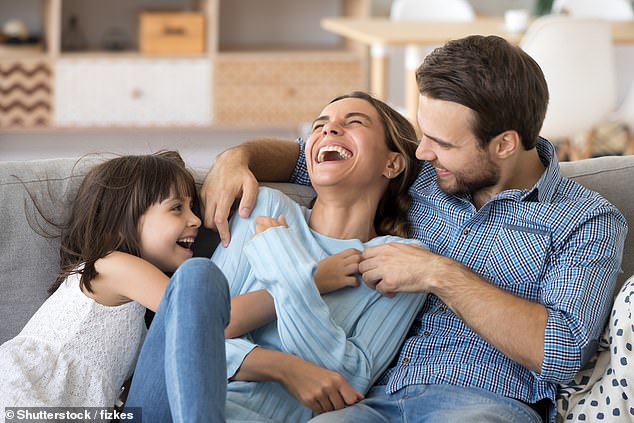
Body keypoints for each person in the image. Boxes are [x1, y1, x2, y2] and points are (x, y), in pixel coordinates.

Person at [200, 35, 628, 423]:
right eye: (423, 135)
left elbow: (562, 352)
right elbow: (309, 156)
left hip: (485, 402)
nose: (422, 151)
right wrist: (236, 158)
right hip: (375, 400)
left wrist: (439, 274)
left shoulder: (586, 220)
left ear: (504, 144)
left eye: (441, 143)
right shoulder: (422, 173)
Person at [125, 91, 427, 423]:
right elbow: (196, 331)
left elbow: (346, 379)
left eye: (353, 122)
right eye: (320, 125)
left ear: (392, 163)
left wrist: (288, 271)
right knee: (197, 275)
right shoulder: (266, 208)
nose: (329, 130)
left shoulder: (399, 262)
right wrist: (284, 368)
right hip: (168, 406)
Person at [0, 151, 229, 422]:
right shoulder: (113, 266)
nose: (196, 221)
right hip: (24, 400)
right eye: (177, 208)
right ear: (124, 222)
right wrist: (276, 295)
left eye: (193, 208)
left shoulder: (138, 310)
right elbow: (205, 318)